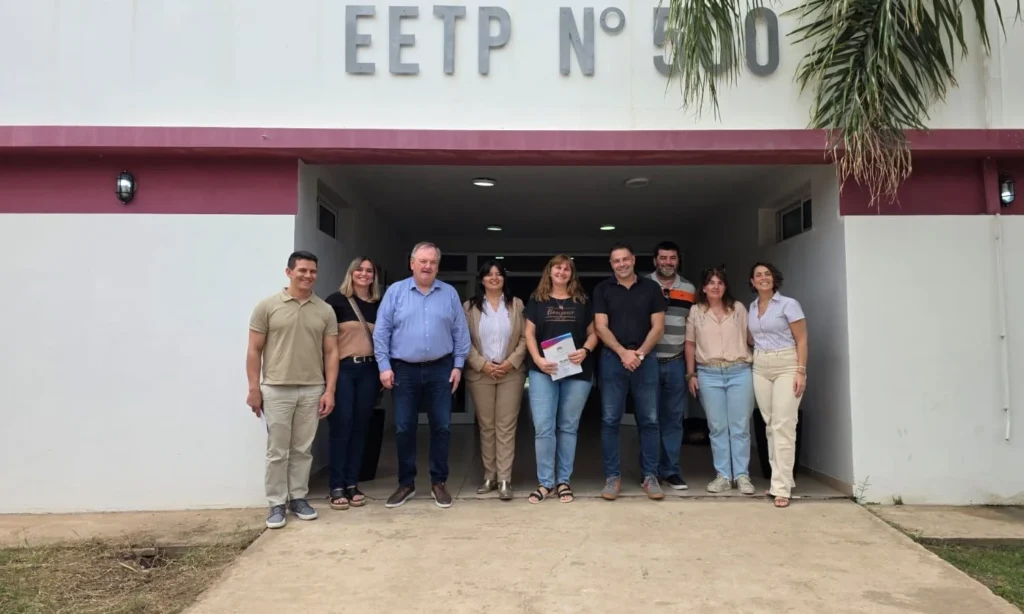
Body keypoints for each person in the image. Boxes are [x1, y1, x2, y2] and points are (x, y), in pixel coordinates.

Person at [373, 242, 470, 509]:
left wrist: (458, 365)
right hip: (404, 369)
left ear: (438, 266)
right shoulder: (395, 292)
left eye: (433, 262)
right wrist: (384, 366)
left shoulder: (449, 293)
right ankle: (406, 483)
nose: (427, 266)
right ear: (412, 264)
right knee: (404, 427)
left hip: (441, 368)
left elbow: (460, 333)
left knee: (442, 426)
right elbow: (381, 332)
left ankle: (439, 482)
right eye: (423, 261)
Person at [246, 251, 339, 529]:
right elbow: (254, 350)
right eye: (302, 270)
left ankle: (298, 498)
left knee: (302, 449)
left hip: (312, 388)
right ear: (289, 272)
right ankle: (276, 503)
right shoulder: (267, 306)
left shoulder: (324, 310)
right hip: (276, 388)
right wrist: (254, 388)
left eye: (313, 271)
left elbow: (331, 352)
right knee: (277, 451)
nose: (308, 276)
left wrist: (329, 390)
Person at [593, 243, 667, 501]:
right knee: (610, 420)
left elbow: (658, 327)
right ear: (611, 264)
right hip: (612, 359)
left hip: (645, 359)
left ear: (633, 260)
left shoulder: (651, 288)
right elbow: (600, 326)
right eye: (616, 261)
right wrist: (623, 353)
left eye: (625, 259)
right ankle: (612, 477)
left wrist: (639, 354)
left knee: (649, 420)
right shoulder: (603, 289)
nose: (621, 264)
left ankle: (650, 476)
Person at [523, 254, 599, 504]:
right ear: (550, 271)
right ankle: (545, 483)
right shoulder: (537, 300)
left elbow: (594, 333)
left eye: (567, 269)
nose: (562, 272)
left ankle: (563, 481)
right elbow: (529, 334)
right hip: (543, 371)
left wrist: (585, 350)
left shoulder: (582, 301)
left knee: (568, 427)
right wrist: (538, 360)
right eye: (558, 267)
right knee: (544, 427)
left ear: (572, 274)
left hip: (576, 371)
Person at [684, 266, 755, 495]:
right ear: (704, 288)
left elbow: (752, 337)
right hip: (709, 373)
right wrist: (691, 374)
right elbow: (690, 344)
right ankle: (723, 475)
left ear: (725, 287)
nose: (716, 286)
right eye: (711, 283)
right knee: (717, 427)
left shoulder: (738, 308)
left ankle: (742, 475)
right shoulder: (696, 311)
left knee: (740, 426)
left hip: (739, 371)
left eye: (720, 282)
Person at [463, 260, 527, 501]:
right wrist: (483, 365)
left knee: (506, 426)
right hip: (481, 373)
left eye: (498, 274)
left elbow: (525, 338)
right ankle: (489, 476)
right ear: (481, 279)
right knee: (487, 426)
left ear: (504, 279)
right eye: (489, 274)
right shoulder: (469, 307)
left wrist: (510, 363)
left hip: (511, 374)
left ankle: (504, 479)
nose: (494, 278)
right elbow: (463, 340)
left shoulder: (516, 304)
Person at [323, 256, 382, 511]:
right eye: (359, 269)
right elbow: (326, 344)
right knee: (342, 426)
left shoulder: (379, 305)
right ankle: (336, 485)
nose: (364, 274)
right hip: (344, 370)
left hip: (370, 370)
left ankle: (351, 483)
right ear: (351, 272)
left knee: (360, 428)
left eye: (369, 270)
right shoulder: (335, 301)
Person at [748, 262, 808, 509]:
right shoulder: (752, 307)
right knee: (770, 425)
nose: (763, 278)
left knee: (784, 424)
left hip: (786, 363)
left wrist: (800, 371)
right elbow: (752, 338)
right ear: (752, 282)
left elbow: (802, 339)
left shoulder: (788, 304)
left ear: (774, 279)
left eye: (767, 274)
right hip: (760, 365)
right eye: (758, 275)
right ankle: (781, 479)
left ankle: (781, 488)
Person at [647, 240, 697, 491]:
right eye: (663, 258)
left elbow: (692, 328)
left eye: (672, 258)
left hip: (676, 361)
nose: (668, 262)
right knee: (650, 418)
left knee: (674, 419)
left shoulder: (688, 288)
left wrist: (690, 370)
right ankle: (650, 471)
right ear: (655, 260)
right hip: (648, 361)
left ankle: (671, 470)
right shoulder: (642, 285)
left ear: (678, 260)